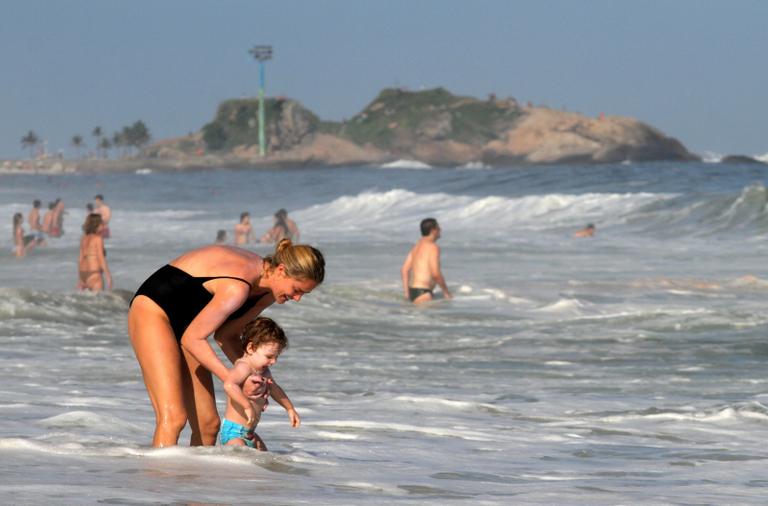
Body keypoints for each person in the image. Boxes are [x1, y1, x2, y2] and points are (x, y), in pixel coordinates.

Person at [128, 239, 324, 447]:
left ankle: (191, 479)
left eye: (304, 293)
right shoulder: (237, 288)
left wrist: (251, 373)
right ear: (281, 270)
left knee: (208, 425)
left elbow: (226, 335)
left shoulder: (268, 294)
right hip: (154, 311)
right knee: (173, 417)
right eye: (296, 289)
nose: (297, 298)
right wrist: (232, 378)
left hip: (190, 327)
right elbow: (194, 338)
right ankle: (159, 477)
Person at [221, 316, 299, 451]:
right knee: (241, 463)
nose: (273, 361)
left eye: (276, 357)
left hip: (250, 433)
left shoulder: (264, 372)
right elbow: (229, 385)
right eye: (269, 356)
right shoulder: (243, 367)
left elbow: (275, 389)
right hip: (234, 433)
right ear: (251, 348)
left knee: (265, 462)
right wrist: (246, 406)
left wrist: (289, 408)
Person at [400, 218, 452, 304]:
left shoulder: (417, 246)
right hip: (423, 293)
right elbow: (436, 273)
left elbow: (404, 270)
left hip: (413, 291)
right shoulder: (433, 247)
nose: (440, 229)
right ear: (433, 230)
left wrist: (406, 293)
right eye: (438, 227)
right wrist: (446, 292)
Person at [78, 213, 112, 292]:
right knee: (99, 301)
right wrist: (108, 276)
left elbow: (80, 258)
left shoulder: (83, 238)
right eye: (102, 224)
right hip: (94, 273)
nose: (104, 226)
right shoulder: (98, 239)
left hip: (83, 274)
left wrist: (80, 278)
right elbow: (101, 258)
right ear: (96, 225)